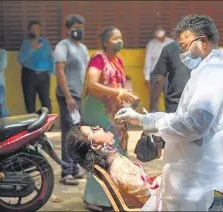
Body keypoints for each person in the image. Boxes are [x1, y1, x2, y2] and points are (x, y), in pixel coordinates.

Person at [115, 14, 223, 211]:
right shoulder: (203, 73)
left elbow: (194, 124)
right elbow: (183, 117)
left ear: (202, 41)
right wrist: (145, 119)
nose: (182, 53)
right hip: (196, 176)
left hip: (206, 181)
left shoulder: (213, 75)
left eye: (185, 46)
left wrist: (150, 123)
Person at [81, 26, 139, 210]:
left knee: (117, 154)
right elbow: (92, 85)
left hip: (112, 112)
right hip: (97, 110)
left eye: (120, 37)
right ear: (105, 42)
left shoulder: (118, 61)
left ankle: (112, 196)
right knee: (102, 153)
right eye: (115, 38)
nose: (119, 41)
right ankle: (95, 199)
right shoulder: (99, 59)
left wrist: (129, 98)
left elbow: (118, 90)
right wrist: (119, 92)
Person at [66, 126, 160, 207]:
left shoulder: (110, 161)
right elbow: (148, 197)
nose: (98, 127)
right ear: (95, 146)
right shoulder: (118, 167)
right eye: (94, 130)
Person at [53, 14, 89, 185]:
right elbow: (60, 72)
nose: (78, 30)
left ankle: (74, 168)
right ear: (67, 29)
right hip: (68, 96)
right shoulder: (63, 46)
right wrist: (68, 97)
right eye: (75, 27)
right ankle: (66, 172)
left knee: (76, 134)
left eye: (81, 27)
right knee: (68, 133)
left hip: (79, 96)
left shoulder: (83, 48)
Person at [18, 20, 54, 114]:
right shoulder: (25, 43)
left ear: (40, 30)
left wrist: (50, 72)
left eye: (37, 29)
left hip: (44, 76)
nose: (35, 31)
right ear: (29, 31)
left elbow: (51, 58)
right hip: (29, 74)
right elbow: (21, 59)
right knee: (29, 101)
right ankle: (32, 125)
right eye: (33, 29)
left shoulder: (46, 43)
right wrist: (32, 49)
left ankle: (49, 125)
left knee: (46, 102)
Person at [150, 41, 190, 113]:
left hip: (174, 106)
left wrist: (152, 107)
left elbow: (159, 80)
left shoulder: (169, 48)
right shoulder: (205, 48)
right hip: (198, 105)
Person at [143, 23, 174, 111]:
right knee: (154, 98)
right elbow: (148, 61)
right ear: (154, 33)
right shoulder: (151, 44)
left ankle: (170, 117)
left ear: (164, 30)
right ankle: (153, 120)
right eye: (157, 30)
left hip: (169, 75)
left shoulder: (171, 43)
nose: (159, 31)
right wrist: (147, 78)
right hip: (155, 74)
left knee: (170, 97)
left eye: (160, 29)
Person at [0, 48, 8, 118]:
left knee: (1, 103)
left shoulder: (2, 52)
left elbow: (2, 66)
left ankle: (6, 123)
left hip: (0, 84)